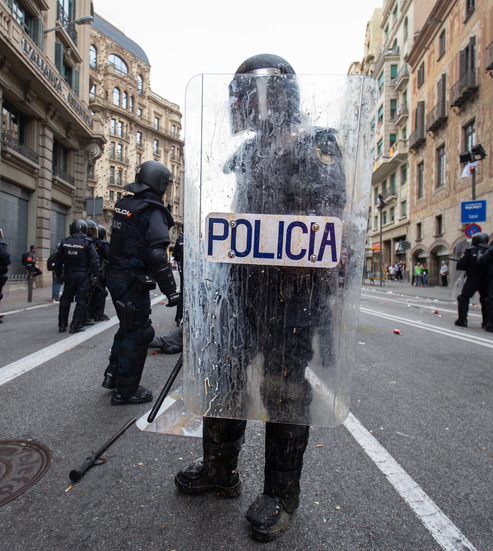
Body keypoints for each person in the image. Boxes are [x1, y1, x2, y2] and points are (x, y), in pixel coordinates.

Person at [173, 53, 350, 542]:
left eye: (248, 95)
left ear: (276, 97)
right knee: (225, 376)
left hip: (293, 298)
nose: (241, 105)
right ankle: (220, 471)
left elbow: (329, 222)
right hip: (242, 291)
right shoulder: (248, 154)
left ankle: (281, 494)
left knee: (283, 389)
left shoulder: (316, 149)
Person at [103, 160, 180, 403]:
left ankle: (113, 377)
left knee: (126, 328)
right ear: (159, 182)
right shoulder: (152, 209)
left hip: (116, 277)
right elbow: (157, 254)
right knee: (139, 332)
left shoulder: (125, 204)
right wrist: (172, 292)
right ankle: (126, 391)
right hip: (132, 280)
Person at [55, 219, 99, 333]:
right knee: (81, 300)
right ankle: (75, 325)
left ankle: (62, 325)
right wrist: (95, 275)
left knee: (65, 299)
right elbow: (95, 260)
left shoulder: (64, 242)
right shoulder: (87, 242)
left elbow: (58, 261)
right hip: (82, 275)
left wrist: (59, 275)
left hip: (69, 274)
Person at [454, 233, 490, 328]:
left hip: (473, 278)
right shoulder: (490, 251)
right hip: (487, 279)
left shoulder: (470, 250)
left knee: (463, 298)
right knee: (486, 299)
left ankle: (462, 320)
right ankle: (487, 322)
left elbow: (460, 265)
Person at [88, 224, 111, 322]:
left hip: (90, 272)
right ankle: (98, 314)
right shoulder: (104, 245)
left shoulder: (91, 243)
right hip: (101, 273)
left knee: (91, 294)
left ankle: (90, 313)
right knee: (100, 294)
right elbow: (109, 258)